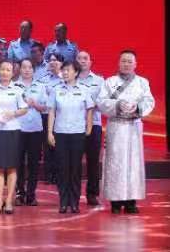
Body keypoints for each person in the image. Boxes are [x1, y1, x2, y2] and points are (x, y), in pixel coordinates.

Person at [97, 50, 155, 214]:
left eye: (130, 61)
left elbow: (149, 101)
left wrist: (137, 108)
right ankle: (116, 201)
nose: (126, 64)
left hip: (133, 127)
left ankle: (131, 201)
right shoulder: (110, 82)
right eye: (124, 61)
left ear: (135, 64)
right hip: (116, 127)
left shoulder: (142, 82)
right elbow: (101, 101)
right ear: (118, 63)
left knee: (133, 163)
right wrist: (117, 105)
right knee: (115, 162)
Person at [0, 60, 29, 215]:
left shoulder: (17, 89)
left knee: (12, 166)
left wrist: (12, 113)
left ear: (13, 73)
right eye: (2, 69)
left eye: (8, 70)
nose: (4, 72)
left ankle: (9, 201)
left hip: (12, 131)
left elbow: (24, 109)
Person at [47, 60, 94, 213]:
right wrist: (49, 132)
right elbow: (52, 112)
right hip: (60, 133)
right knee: (62, 168)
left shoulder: (84, 89)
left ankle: (74, 202)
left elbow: (90, 108)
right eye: (64, 70)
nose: (65, 73)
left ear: (76, 72)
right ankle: (63, 201)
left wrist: (89, 127)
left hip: (77, 133)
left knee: (75, 169)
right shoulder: (56, 89)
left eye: (68, 70)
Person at [14, 58, 47, 206]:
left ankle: (31, 194)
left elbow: (45, 108)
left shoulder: (40, 86)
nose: (27, 70)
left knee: (34, 163)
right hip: (18, 129)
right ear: (19, 69)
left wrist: (35, 104)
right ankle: (19, 193)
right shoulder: (14, 86)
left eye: (30, 67)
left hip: (35, 129)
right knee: (18, 162)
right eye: (24, 67)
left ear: (34, 70)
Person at [75, 50, 105, 205]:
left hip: (94, 125)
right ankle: (73, 193)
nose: (82, 61)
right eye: (79, 58)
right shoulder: (70, 79)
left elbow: (103, 103)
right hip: (75, 126)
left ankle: (92, 193)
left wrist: (91, 103)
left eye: (85, 58)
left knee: (93, 161)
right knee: (74, 161)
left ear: (90, 62)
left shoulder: (99, 81)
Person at [39, 52, 65, 184]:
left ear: (61, 63)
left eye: (56, 60)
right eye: (50, 60)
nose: (52, 62)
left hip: (61, 116)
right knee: (48, 145)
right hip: (46, 115)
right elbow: (42, 98)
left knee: (60, 145)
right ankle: (49, 175)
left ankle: (59, 174)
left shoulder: (65, 78)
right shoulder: (44, 80)